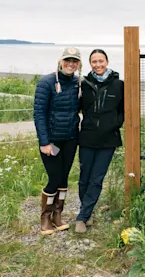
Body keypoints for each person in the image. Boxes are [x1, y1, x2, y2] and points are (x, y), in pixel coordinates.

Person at [33, 47, 82, 235]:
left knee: (63, 178)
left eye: (75, 61)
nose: (71, 64)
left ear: (79, 64)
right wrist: (44, 142)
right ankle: (45, 216)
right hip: (52, 141)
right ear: (61, 61)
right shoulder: (46, 82)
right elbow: (39, 113)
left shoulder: (78, 83)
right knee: (54, 177)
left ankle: (57, 214)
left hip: (70, 139)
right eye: (68, 60)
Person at [74, 49, 124, 233]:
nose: (98, 64)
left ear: (107, 62)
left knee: (96, 179)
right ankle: (88, 212)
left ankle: (82, 217)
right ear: (90, 64)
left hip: (108, 140)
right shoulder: (84, 84)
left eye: (101, 61)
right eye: (94, 61)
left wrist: (113, 125)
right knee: (84, 178)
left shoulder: (119, 85)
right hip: (87, 137)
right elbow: (77, 107)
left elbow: (123, 111)